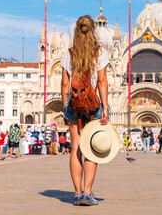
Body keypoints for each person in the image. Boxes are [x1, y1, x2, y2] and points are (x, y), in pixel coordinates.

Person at [61, 15, 109, 206]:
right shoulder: (100, 52)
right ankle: (88, 193)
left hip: (73, 105)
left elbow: (65, 83)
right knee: (91, 149)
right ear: (93, 31)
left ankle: (77, 193)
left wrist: (66, 107)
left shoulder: (69, 53)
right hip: (93, 106)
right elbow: (103, 81)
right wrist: (105, 107)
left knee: (75, 149)